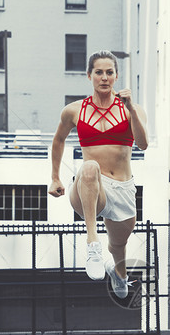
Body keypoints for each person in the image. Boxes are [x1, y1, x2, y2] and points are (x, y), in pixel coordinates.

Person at [49, 50, 148, 299]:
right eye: (99, 72)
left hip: (122, 188)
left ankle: (119, 274)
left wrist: (131, 110)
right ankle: (92, 245)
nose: (104, 77)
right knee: (89, 167)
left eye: (109, 72)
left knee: (118, 246)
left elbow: (143, 144)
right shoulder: (73, 111)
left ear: (116, 76)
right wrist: (55, 177)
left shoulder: (132, 109)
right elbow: (58, 140)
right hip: (90, 189)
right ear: (89, 75)